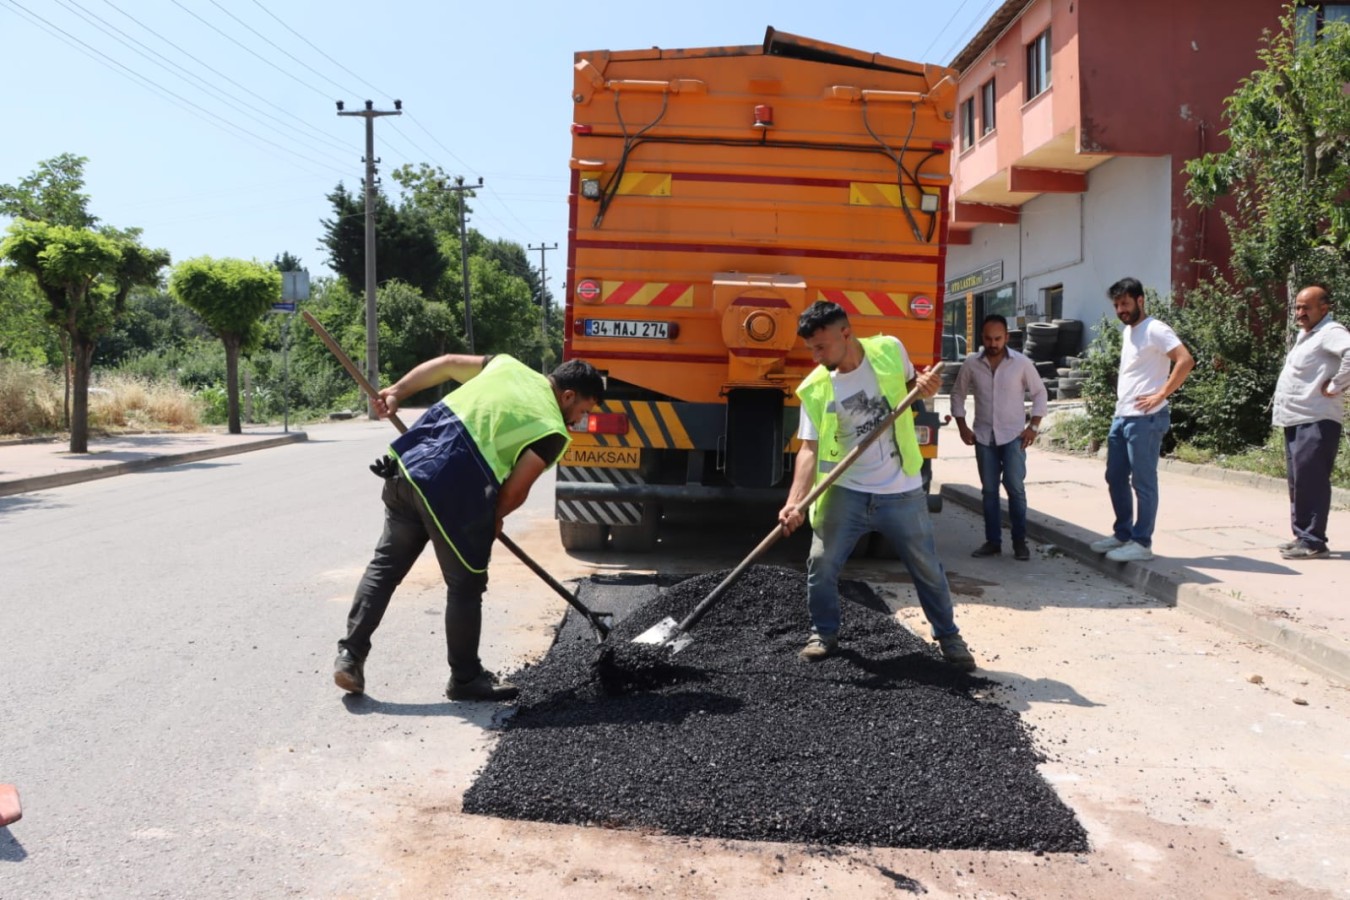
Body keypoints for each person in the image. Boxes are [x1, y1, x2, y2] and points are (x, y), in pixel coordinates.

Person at [333, 355, 604, 702]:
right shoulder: (551, 427)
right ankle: (465, 678)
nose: (581, 419)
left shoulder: (506, 364)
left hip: (409, 465)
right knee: (465, 584)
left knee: (385, 568)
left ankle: (350, 656)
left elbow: (446, 364)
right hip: (455, 491)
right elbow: (516, 490)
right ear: (567, 396)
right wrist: (492, 518)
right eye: (584, 409)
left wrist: (397, 391)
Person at [777, 301, 976, 671]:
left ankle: (949, 637)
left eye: (822, 347)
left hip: (900, 489)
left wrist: (926, 387)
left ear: (846, 334)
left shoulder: (889, 350)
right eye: (812, 349)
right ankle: (824, 633)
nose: (816, 356)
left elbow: (916, 388)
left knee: (927, 566)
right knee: (820, 563)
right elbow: (808, 448)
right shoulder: (817, 387)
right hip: (845, 490)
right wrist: (795, 503)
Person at [1090, 277, 1194, 563]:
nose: (1121, 310)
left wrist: (1161, 394)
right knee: (1114, 476)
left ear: (1140, 300)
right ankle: (1123, 534)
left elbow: (1185, 360)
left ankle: (1142, 541)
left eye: (1125, 303)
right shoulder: (1129, 332)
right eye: (1116, 305)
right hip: (1122, 416)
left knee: (1143, 482)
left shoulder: (1155, 329)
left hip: (1146, 419)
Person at [951, 313, 1049, 561]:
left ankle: (1019, 543)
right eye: (988, 339)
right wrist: (962, 426)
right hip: (983, 437)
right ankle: (992, 542)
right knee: (989, 491)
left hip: (1015, 437)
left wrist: (1033, 427)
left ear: (1006, 337)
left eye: (998, 338)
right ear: (981, 338)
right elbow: (957, 395)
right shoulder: (971, 364)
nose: (993, 344)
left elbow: (1039, 393)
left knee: (1015, 490)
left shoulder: (1021, 363)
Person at [1272, 285, 1350, 560]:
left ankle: (1314, 540)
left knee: (1312, 479)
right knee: (1298, 480)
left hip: (1317, 418)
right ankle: (1303, 536)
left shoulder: (1331, 332)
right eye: (1297, 307)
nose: (1300, 313)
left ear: (1324, 309)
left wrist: (1337, 384)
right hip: (1296, 417)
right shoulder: (1305, 336)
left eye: (1307, 307)